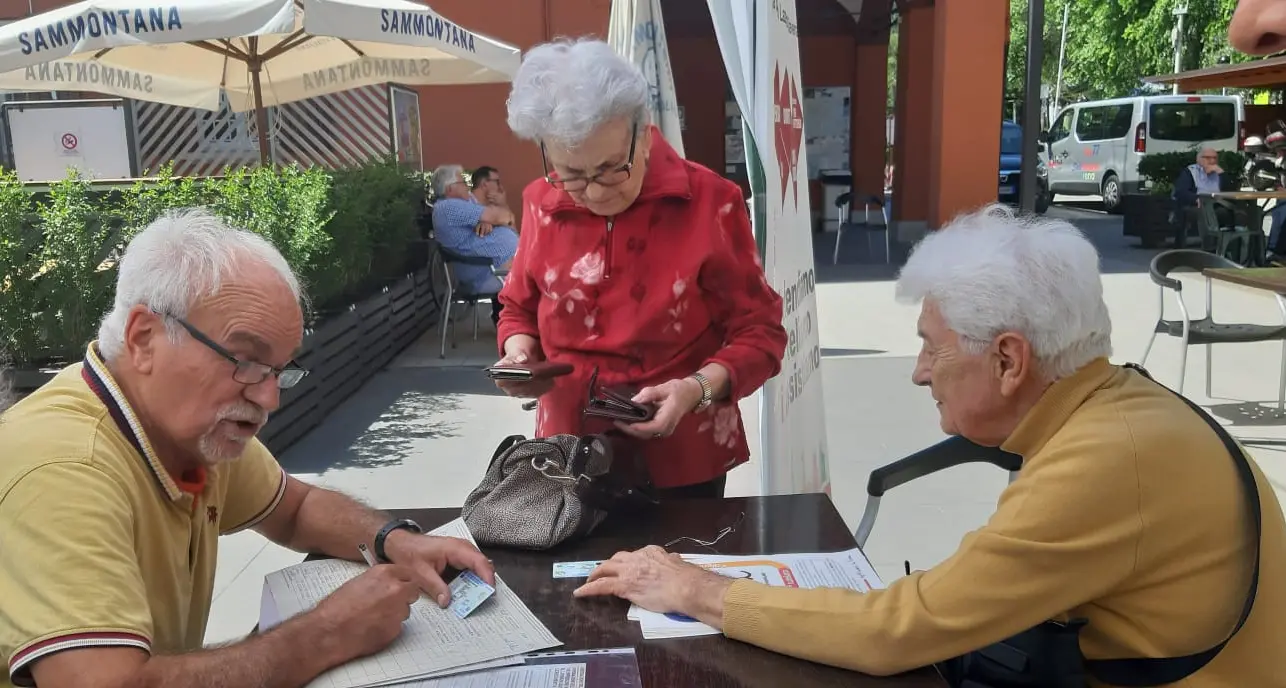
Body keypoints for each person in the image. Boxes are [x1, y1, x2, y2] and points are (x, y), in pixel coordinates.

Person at [572, 204, 1286, 685]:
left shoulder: (1104, 463)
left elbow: (898, 633)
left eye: (930, 350)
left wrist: (695, 589)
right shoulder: (1121, 407)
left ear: (1009, 361)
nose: (917, 374)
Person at [0, 209, 495, 688]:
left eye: (279, 370)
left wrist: (394, 541)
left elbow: (294, 508)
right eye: (244, 360)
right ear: (144, 338)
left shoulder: (182, 427)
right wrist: (325, 634)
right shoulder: (65, 468)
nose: (268, 397)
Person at [491, 38, 787, 497]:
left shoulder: (711, 202)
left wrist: (695, 389)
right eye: (570, 173)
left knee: (680, 567)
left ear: (644, 136)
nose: (591, 192)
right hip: (566, 453)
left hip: (683, 455)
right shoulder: (539, 202)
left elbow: (761, 333)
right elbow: (517, 306)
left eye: (611, 169)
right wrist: (518, 353)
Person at [431, 164, 519, 325]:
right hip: (484, 275)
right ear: (450, 189)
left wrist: (490, 220)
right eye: (462, 182)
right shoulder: (449, 207)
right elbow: (501, 216)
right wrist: (495, 215)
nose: (467, 185)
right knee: (539, 277)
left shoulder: (461, 204)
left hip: (493, 267)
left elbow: (497, 217)